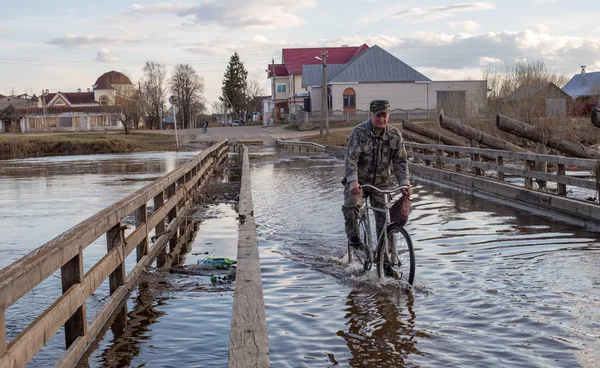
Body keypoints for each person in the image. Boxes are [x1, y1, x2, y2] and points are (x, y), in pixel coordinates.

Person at [342, 99, 413, 253]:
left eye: (385, 116)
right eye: (378, 116)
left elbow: (400, 161)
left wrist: (404, 183)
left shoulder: (395, 135)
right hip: (359, 182)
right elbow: (351, 159)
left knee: (385, 221)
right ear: (371, 115)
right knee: (352, 204)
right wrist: (353, 181)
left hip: (382, 184)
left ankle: (387, 259)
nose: (381, 119)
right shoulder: (359, 132)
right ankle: (354, 238)